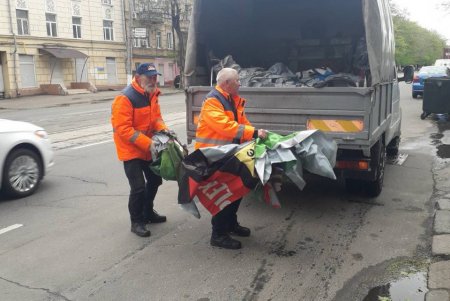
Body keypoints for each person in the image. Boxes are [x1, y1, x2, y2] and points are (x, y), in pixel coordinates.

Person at [195, 67, 268, 249]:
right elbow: (225, 126)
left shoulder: (232, 100)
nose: (240, 83)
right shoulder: (213, 101)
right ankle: (218, 234)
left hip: (228, 154)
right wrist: (254, 133)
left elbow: (242, 123)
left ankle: (230, 224)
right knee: (224, 193)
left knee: (237, 189)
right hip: (213, 156)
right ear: (227, 83)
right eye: (237, 81)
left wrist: (256, 134)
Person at [111, 63, 170, 237]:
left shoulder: (152, 94)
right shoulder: (125, 98)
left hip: (147, 147)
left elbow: (156, 119)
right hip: (131, 150)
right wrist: (148, 143)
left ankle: (148, 212)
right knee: (138, 188)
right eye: (149, 77)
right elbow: (123, 129)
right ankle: (136, 222)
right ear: (138, 78)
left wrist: (164, 130)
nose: (153, 80)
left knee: (155, 180)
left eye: (155, 77)